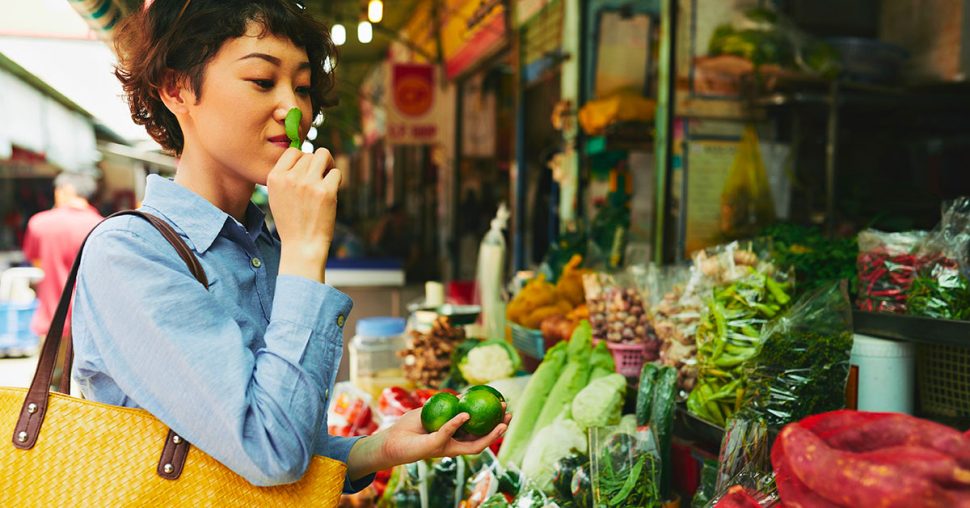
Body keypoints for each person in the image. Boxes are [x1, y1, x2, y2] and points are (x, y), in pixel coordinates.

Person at [71, 0, 508, 494]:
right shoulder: (129, 256)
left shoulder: (264, 246)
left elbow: (292, 443)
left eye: (302, 87)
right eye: (262, 80)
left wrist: (383, 447)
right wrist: (304, 249)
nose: (294, 108)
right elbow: (269, 451)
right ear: (176, 89)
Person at [22, 171, 103, 339]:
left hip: (52, 321)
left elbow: (37, 265)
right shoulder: (103, 226)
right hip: (91, 325)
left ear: (64, 190)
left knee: (50, 365)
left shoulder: (39, 223)